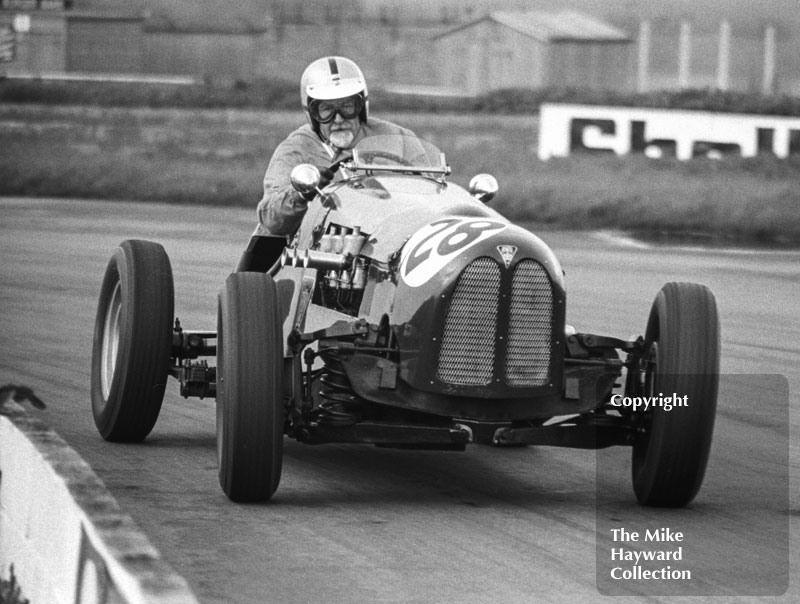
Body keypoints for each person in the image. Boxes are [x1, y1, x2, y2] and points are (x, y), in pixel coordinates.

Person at [254, 56, 416, 237]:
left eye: (347, 106)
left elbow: (433, 193)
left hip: (393, 239)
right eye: (326, 110)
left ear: (361, 107)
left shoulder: (398, 137)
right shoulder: (296, 149)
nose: (338, 119)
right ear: (312, 113)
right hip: (326, 248)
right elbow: (270, 219)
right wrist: (301, 193)